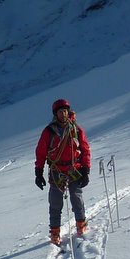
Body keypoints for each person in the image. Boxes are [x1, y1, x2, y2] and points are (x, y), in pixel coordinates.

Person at [35, 98, 92, 245]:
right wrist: (38, 172)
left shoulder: (76, 130)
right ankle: (55, 233)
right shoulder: (49, 132)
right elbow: (41, 152)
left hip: (74, 168)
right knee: (55, 203)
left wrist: (86, 169)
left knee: (76, 198)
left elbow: (85, 149)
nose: (63, 114)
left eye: (65, 111)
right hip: (57, 170)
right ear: (56, 114)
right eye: (60, 112)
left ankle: (81, 225)